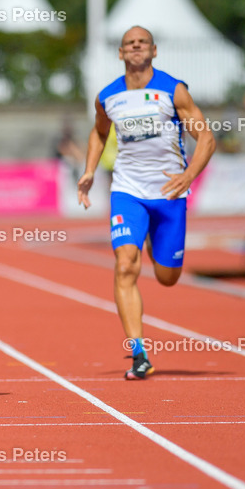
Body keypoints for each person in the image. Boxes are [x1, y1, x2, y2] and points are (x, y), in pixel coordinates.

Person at [77, 26, 215, 380]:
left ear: (154, 50)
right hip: (128, 190)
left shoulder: (173, 89)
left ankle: (156, 241)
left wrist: (189, 176)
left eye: (142, 43)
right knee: (125, 264)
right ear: (120, 54)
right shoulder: (108, 96)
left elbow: (206, 138)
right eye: (129, 44)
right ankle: (138, 353)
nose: (136, 47)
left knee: (167, 277)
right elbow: (99, 131)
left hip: (169, 193)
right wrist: (90, 169)